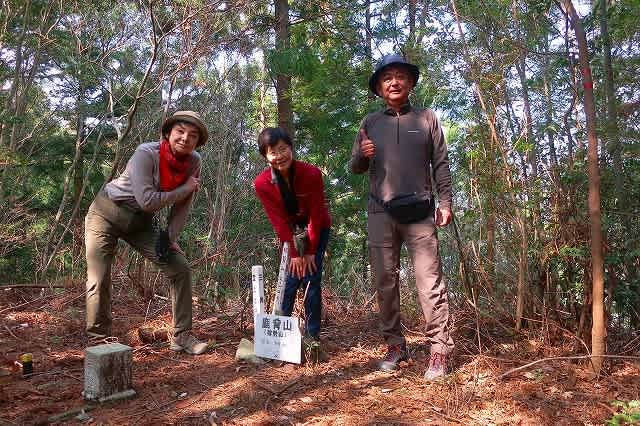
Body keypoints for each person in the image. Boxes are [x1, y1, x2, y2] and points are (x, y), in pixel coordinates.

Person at [349, 54, 454, 380]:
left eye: (400, 77)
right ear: (379, 88)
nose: (394, 82)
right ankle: (395, 345)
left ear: (410, 83)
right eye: (387, 78)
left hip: (420, 212)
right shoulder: (370, 122)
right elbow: (355, 167)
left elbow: (440, 163)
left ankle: (439, 351)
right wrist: (361, 155)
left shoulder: (427, 118)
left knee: (429, 281)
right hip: (380, 211)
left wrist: (446, 202)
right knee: (385, 281)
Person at [85, 110, 209, 355]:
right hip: (106, 212)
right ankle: (99, 341)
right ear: (168, 133)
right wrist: (185, 188)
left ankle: (182, 336)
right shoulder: (146, 153)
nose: (185, 138)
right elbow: (148, 200)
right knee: (99, 277)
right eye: (180, 131)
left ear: (197, 141)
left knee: (179, 267)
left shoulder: (194, 161)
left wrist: (169, 237)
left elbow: (183, 205)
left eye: (193, 135)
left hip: (141, 223)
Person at [254, 127, 331, 350]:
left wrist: (310, 251)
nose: (279, 156)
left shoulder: (311, 173)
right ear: (265, 156)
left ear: (291, 148)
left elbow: (316, 214)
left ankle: (312, 337)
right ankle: (279, 337)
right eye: (273, 152)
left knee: (311, 278)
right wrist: (296, 253)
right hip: (289, 233)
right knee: (290, 280)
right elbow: (278, 221)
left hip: (317, 228)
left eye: (283, 149)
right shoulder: (262, 183)